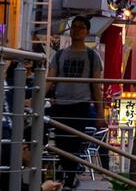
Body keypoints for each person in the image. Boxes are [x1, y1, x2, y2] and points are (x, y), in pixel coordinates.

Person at [45, 16, 105, 183]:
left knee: (75, 142)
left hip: (80, 105)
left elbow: (96, 87)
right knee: (61, 141)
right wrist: (38, 96)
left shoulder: (92, 57)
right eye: (74, 27)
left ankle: (70, 175)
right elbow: (50, 80)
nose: (76, 30)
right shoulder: (59, 55)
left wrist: (100, 113)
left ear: (86, 32)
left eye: (81, 28)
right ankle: (67, 173)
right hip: (61, 104)